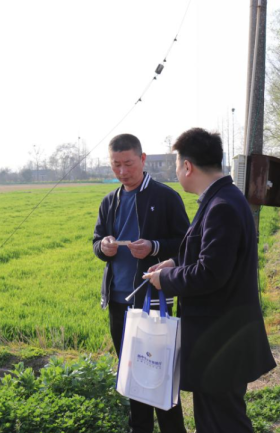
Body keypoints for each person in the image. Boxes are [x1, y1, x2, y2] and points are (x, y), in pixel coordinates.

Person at [143, 127, 277, 433]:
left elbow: (211, 273)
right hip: (221, 337)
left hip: (221, 340)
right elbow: (214, 256)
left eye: (177, 165)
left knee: (224, 423)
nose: (177, 171)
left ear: (187, 167)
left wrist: (167, 278)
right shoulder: (222, 199)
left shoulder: (222, 207)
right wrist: (176, 262)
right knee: (216, 420)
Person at [93, 133, 190, 433]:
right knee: (133, 380)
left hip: (153, 303)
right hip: (119, 304)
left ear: (143, 159)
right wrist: (104, 247)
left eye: (128, 164)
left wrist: (154, 246)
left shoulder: (165, 197)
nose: (122, 171)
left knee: (160, 381)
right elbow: (96, 242)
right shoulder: (110, 201)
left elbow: (187, 245)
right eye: (116, 165)